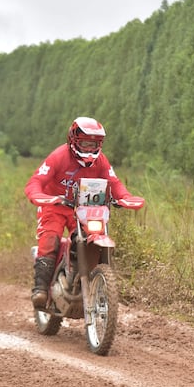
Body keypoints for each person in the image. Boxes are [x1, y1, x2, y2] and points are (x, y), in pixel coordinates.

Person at [24, 116, 145, 310]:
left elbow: (114, 183)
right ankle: (41, 289)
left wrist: (125, 197)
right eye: (85, 143)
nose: (89, 149)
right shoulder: (59, 156)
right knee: (50, 239)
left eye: (94, 144)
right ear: (74, 140)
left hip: (82, 210)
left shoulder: (101, 162)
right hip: (54, 205)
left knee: (93, 237)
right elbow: (36, 180)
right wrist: (39, 195)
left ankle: (88, 280)